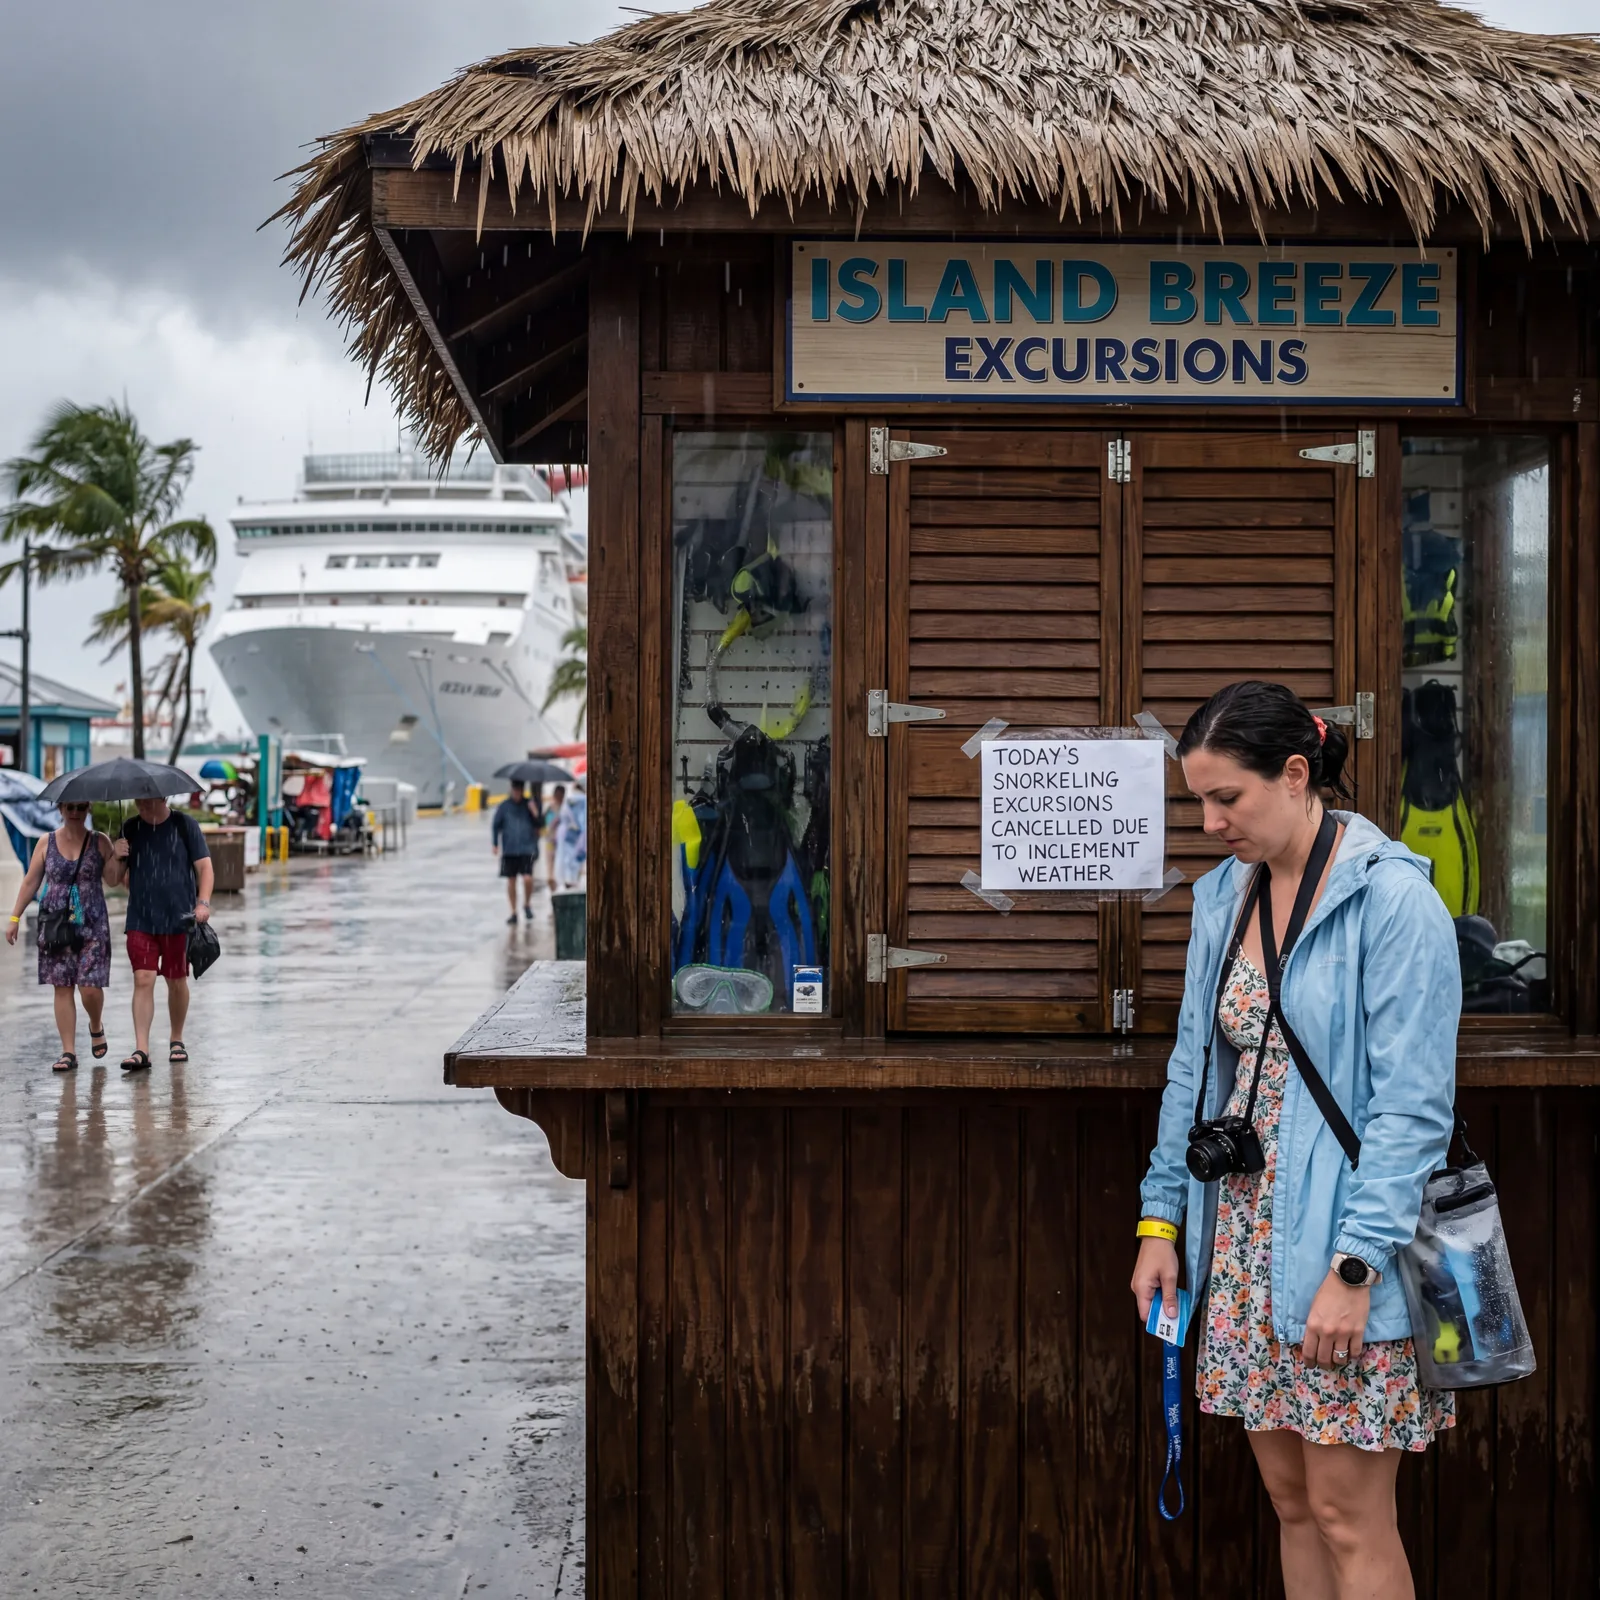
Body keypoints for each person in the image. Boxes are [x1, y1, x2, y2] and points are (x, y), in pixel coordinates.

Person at [1131, 681, 1460, 1600]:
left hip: (1346, 1248)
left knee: (1353, 1515)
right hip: (1241, 1244)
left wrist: (1354, 1270)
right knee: (1292, 1504)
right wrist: (1162, 1225)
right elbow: (1194, 1074)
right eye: (1199, 800)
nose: (1207, 823)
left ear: (1295, 773)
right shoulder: (1223, 900)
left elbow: (1411, 1114)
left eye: (1224, 798)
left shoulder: (1393, 903)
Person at [6, 801, 124, 1072]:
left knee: (90, 987)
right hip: (56, 922)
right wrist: (14, 917)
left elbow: (114, 880)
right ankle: (68, 1051)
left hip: (92, 923)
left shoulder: (99, 841)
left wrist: (117, 856)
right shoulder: (45, 842)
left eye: (81, 807)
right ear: (60, 809)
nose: (75, 812)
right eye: (69, 807)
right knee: (62, 986)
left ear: (88, 810)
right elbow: (30, 881)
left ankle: (96, 1024)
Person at [111, 794, 213, 1072]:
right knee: (142, 979)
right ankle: (141, 1048)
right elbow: (112, 878)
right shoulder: (130, 828)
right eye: (138, 799)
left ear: (164, 797)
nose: (141, 804)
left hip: (178, 918)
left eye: (148, 799)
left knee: (176, 980)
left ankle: (176, 1039)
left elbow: (204, 867)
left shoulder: (184, 824)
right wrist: (116, 854)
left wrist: (202, 902)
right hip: (141, 918)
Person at [491, 778, 542, 925]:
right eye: (515, 789)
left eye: (519, 789)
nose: (517, 792)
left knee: (527, 878)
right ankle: (513, 912)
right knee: (511, 880)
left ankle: (527, 903)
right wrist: (495, 843)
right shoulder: (504, 806)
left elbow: (539, 824)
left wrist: (535, 813)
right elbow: (496, 825)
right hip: (510, 849)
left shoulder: (529, 804)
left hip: (526, 847)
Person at [555, 780, 587, 890]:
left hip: (565, 834)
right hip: (579, 834)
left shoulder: (568, 800)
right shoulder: (584, 800)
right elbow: (583, 821)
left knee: (565, 861)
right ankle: (574, 882)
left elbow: (562, 816)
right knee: (576, 861)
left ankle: (567, 883)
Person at [541, 783, 564, 891]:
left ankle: (551, 879)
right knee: (556, 864)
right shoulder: (564, 808)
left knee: (550, 864)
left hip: (550, 839)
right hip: (559, 840)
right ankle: (553, 884)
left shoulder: (549, 807)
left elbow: (543, 822)